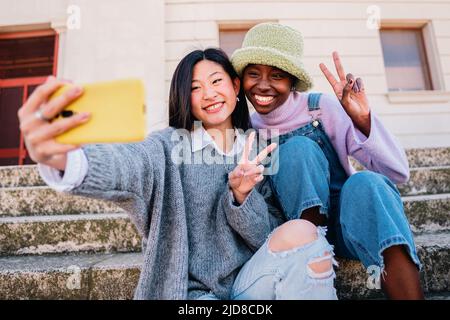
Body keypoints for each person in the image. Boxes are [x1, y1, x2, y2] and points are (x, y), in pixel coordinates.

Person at [18, 48, 338, 300]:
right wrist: (62, 157)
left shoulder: (259, 150)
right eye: (195, 88)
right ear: (186, 97)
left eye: (216, 81)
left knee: (301, 231)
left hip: (249, 284)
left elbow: (265, 238)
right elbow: (128, 163)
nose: (209, 94)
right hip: (191, 295)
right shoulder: (167, 146)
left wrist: (241, 196)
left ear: (235, 86)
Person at [231, 22, 424, 299]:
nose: (263, 85)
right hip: (295, 237)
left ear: (292, 80)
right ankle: (315, 252)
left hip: (350, 225)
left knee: (368, 183)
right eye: (253, 74)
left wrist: (362, 120)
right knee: (298, 149)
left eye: (276, 75)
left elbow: (397, 173)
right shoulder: (245, 131)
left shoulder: (321, 108)